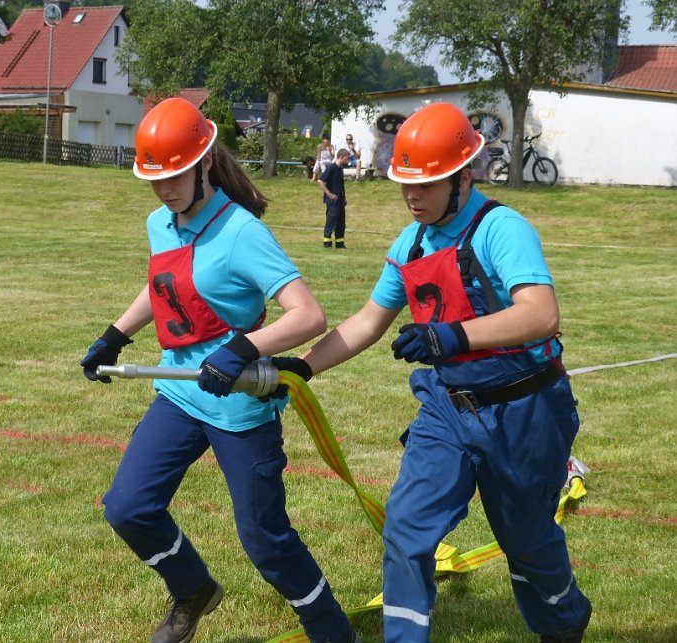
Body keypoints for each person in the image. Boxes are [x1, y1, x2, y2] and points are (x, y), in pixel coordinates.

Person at [291, 102, 592, 642]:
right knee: (406, 529)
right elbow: (367, 321)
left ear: (463, 176)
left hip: (525, 412)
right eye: (405, 184)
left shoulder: (502, 228)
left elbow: (541, 314)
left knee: (525, 541)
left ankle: (565, 623)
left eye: (425, 184)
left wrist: (451, 335)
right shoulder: (408, 245)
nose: (412, 196)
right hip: (447, 409)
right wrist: (300, 367)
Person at [80, 97, 360, 643]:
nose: (165, 189)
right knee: (128, 508)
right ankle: (193, 589)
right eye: (155, 179)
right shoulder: (160, 223)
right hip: (180, 395)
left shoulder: (241, 233)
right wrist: (116, 334)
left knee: (264, 539)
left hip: (241, 407)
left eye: (176, 175)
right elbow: (168, 282)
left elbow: (309, 315)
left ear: (204, 162)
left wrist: (242, 350)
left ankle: (333, 632)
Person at [317, 149, 350, 250]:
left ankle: (340, 243)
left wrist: (344, 197)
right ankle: (327, 243)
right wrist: (329, 194)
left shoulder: (340, 169)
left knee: (341, 223)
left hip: (340, 201)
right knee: (331, 221)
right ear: (341, 157)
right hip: (332, 202)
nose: (347, 160)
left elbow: (340, 185)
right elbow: (320, 181)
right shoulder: (331, 168)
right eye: (347, 158)